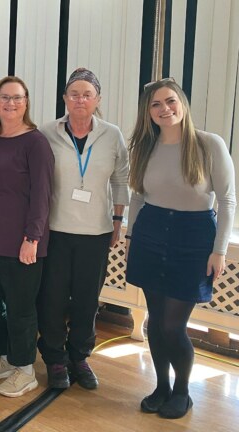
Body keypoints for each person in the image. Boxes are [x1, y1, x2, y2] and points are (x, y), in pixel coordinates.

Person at [126, 78, 235, 419]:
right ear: (148, 112)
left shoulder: (208, 144)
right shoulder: (145, 147)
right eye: (156, 104)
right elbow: (137, 197)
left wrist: (219, 250)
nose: (165, 109)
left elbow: (227, 200)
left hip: (194, 238)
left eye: (170, 101)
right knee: (156, 321)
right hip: (150, 233)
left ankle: (182, 392)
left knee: (173, 326)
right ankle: (161, 387)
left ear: (182, 103)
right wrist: (130, 239)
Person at [37, 68, 130, 390]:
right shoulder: (47, 132)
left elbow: (121, 180)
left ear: (97, 99)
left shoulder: (112, 135)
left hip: (96, 232)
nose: (80, 99)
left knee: (87, 300)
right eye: (74, 94)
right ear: (65, 98)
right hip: (55, 230)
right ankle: (55, 358)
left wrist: (118, 221)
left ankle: (79, 356)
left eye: (87, 94)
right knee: (52, 299)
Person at [0, 76, 54, 397]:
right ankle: (4, 358)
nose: (10, 103)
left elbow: (42, 195)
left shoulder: (36, 143)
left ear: (26, 102)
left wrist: (32, 238)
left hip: (22, 241)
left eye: (17, 97)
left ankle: (25, 369)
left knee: (20, 308)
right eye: (4, 97)